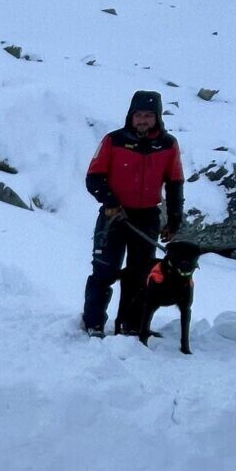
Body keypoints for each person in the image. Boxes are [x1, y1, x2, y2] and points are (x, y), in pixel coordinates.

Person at [82, 90, 185, 337]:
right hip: (114, 216)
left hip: (148, 217)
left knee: (141, 275)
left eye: (148, 116)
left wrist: (173, 220)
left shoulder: (168, 145)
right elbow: (93, 177)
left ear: (157, 117)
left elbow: (175, 183)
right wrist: (109, 200)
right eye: (138, 115)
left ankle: (132, 325)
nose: (142, 120)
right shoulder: (113, 141)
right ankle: (94, 323)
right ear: (130, 116)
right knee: (105, 271)